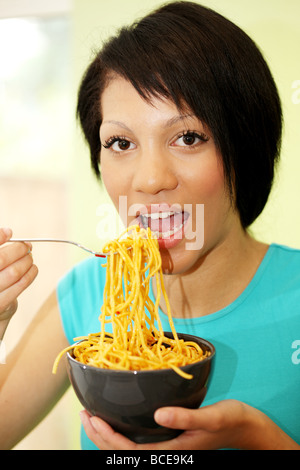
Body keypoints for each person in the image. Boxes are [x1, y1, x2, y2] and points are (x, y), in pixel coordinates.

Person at [0, 1, 299, 450]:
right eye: (120, 142)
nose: (150, 179)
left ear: (245, 145)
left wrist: (257, 439)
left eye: (188, 137)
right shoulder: (86, 294)